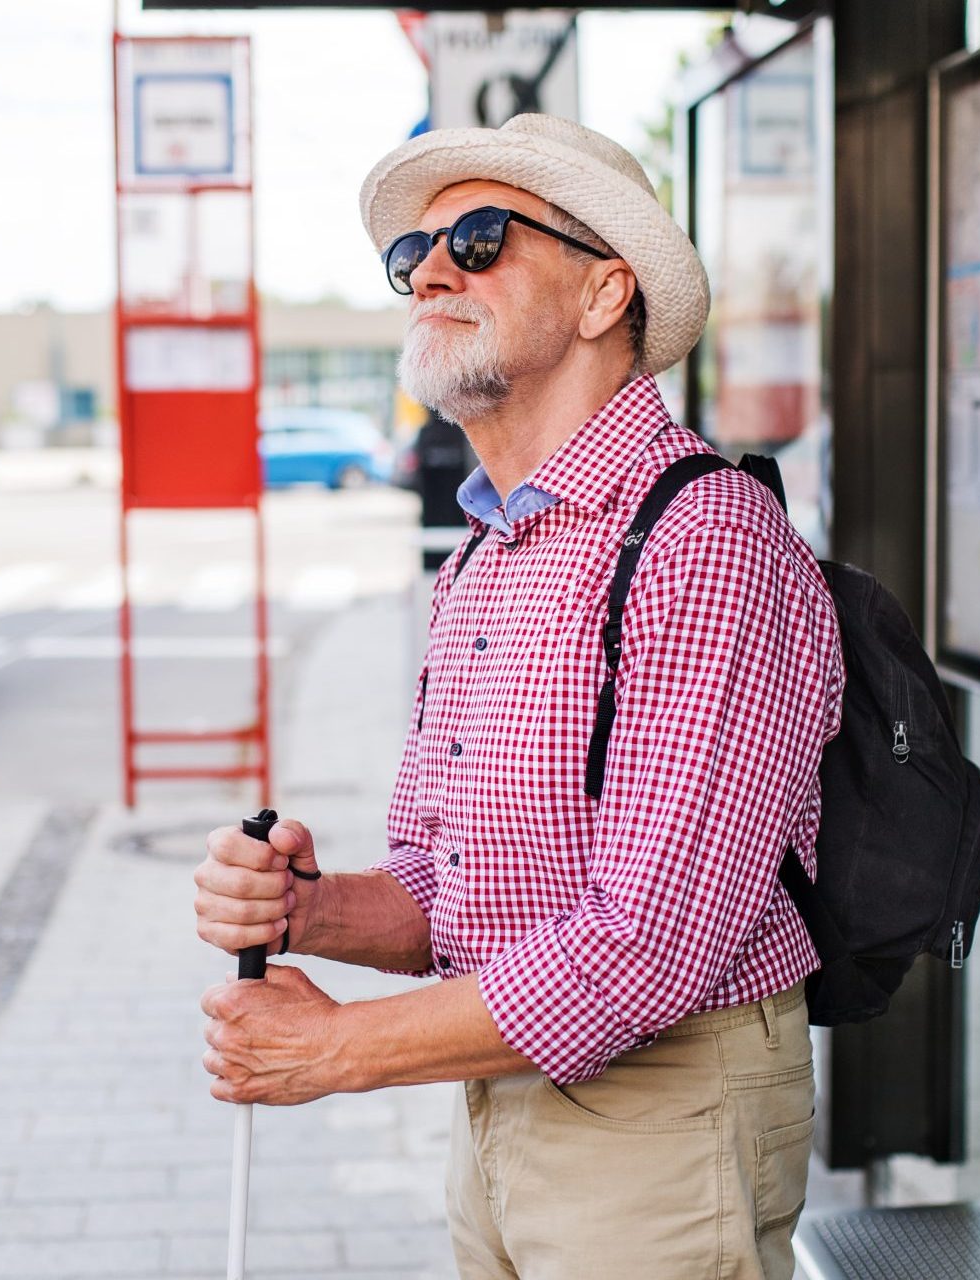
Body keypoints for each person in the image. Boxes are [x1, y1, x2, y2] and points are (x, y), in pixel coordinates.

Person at [192, 114, 843, 1279]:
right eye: (413, 255)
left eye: (480, 238)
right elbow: (452, 889)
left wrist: (336, 1048)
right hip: (499, 1099)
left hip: (660, 1115)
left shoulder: (702, 539)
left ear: (604, 295)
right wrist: (306, 908)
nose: (429, 269)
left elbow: (646, 947)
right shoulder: (485, 558)